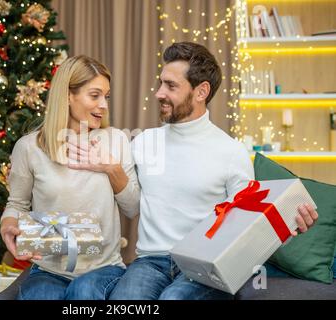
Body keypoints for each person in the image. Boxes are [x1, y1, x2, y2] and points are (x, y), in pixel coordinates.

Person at [68, 42, 318, 300]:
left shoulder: (231, 151)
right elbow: (128, 203)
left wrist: (287, 228)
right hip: (151, 262)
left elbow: (250, 226)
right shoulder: (143, 142)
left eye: (171, 86)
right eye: (161, 83)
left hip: (205, 265)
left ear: (201, 92)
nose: (159, 93)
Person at [0, 55, 140, 300]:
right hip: (49, 269)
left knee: (83, 293)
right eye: (94, 95)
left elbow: (132, 208)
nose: (104, 105)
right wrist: (8, 226)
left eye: (106, 96)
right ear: (67, 95)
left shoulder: (115, 140)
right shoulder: (29, 147)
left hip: (103, 269)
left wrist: (111, 168)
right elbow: (16, 205)